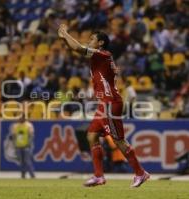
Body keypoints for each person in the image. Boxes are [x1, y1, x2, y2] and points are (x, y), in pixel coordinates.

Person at [58, 24, 150, 188]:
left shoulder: (103, 54)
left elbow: (78, 48)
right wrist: (64, 38)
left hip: (111, 102)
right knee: (91, 135)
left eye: (92, 39)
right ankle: (99, 176)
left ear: (101, 43)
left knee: (119, 141)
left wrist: (65, 34)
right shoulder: (100, 57)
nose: (89, 41)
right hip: (104, 103)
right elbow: (76, 49)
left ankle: (140, 173)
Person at [11, 115, 35, 179]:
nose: (20, 119)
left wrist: (29, 144)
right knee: (21, 162)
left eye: (21, 118)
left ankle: (32, 175)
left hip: (26, 146)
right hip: (18, 146)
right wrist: (14, 144)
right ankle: (23, 175)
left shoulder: (28, 125)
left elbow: (31, 135)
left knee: (27, 160)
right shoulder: (15, 126)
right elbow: (14, 136)